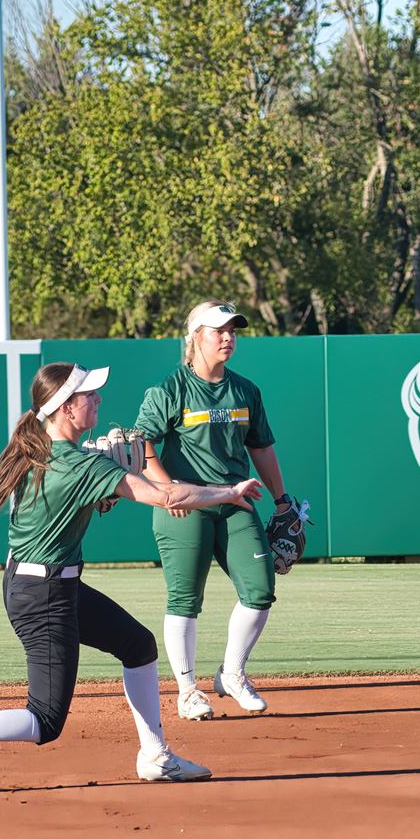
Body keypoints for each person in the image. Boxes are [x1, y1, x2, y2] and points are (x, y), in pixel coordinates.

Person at [0, 361, 263, 794]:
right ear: (64, 409)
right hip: (43, 594)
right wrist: (230, 492)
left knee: (138, 644)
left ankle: (156, 755)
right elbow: (167, 495)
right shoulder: (81, 465)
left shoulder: (43, 450)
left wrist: (101, 492)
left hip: (48, 584)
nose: (97, 399)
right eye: (87, 394)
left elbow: (64, 498)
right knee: (46, 719)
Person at [133, 300, 294, 721]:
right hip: (186, 508)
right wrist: (169, 490)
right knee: (185, 599)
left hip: (235, 499)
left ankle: (232, 674)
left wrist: (282, 501)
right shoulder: (170, 389)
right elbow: (141, 441)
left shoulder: (245, 390)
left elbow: (261, 446)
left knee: (260, 590)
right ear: (195, 338)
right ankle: (187, 690)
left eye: (233, 331)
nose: (227, 337)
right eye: (218, 330)